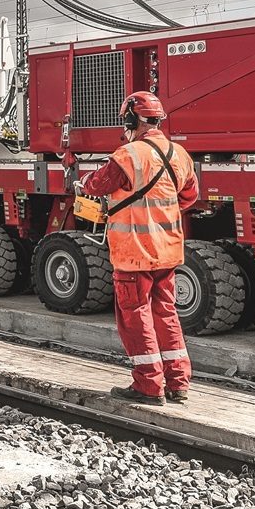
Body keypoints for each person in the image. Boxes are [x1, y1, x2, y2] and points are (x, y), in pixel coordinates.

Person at [79, 91, 198, 405]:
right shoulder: (180, 154)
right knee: (166, 314)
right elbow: (188, 198)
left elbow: (98, 185)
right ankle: (178, 382)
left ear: (131, 119)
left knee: (136, 317)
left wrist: (84, 181)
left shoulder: (128, 154)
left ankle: (148, 386)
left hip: (134, 253)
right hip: (168, 252)